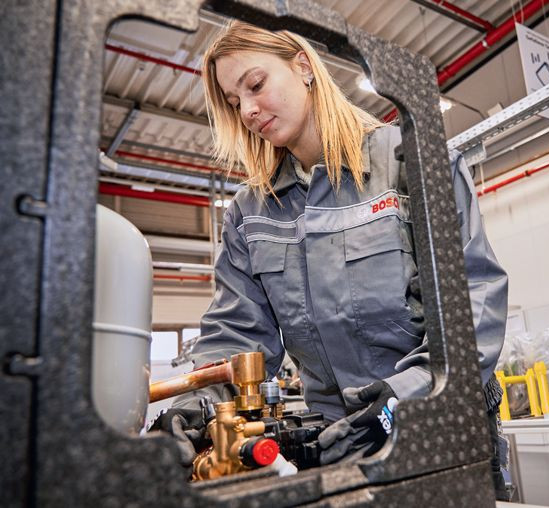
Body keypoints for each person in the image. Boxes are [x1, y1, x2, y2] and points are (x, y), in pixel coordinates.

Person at [151, 20, 508, 498]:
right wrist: (196, 404)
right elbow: (237, 337)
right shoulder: (250, 211)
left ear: (303, 65)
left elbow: (472, 304)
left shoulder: (412, 160)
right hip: (332, 444)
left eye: (255, 85)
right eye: (235, 103)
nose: (249, 110)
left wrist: (399, 402)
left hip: (438, 429)